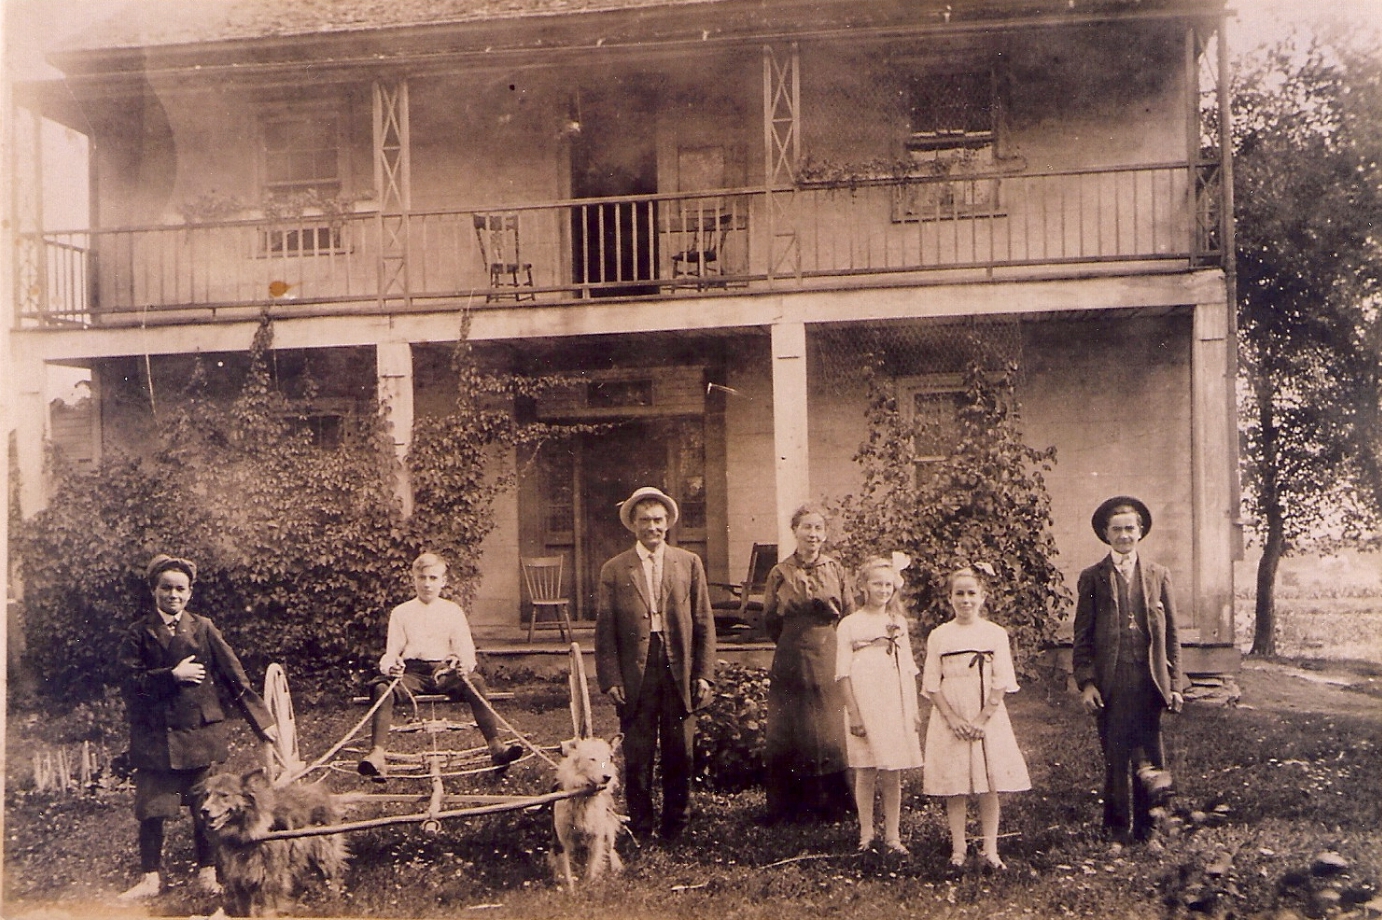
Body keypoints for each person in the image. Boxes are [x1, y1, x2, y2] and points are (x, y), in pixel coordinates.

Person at [115, 554, 280, 901]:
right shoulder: (138, 633)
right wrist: (171, 676)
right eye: (166, 588)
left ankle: (208, 872)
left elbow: (234, 677)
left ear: (189, 593)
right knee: (151, 810)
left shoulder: (203, 628)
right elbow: (128, 684)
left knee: (205, 811)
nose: (173, 595)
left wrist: (262, 722)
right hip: (156, 736)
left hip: (199, 736)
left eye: (180, 589)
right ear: (153, 590)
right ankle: (150, 878)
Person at [595, 487, 716, 842]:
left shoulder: (688, 563)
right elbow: (605, 631)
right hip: (637, 670)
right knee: (639, 751)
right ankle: (641, 825)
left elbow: (703, 621)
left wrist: (704, 673)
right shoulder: (615, 569)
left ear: (668, 524)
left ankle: (676, 825)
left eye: (659, 520)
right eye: (645, 520)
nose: (653, 527)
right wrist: (611, 678)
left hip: (678, 666)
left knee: (681, 749)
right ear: (633, 525)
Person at [1072, 496, 1186, 846]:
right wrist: (1087, 683)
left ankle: (1150, 830)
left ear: (1140, 533)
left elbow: (1172, 636)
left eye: (1130, 529)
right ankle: (1117, 831)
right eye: (1117, 529)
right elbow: (1083, 636)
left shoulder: (1157, 575)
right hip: (1112, 681)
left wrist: (1176, 683)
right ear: (1106, 534)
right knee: (1117, 755)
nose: (1124, 535)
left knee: (1151, 755)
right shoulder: (1094, 578)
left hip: (1149, 679)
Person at [358, 552, 523, 780]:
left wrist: (463, 665)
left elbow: (466, 650)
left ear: (443, 581)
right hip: (412, 672)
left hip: (444, 671)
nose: (427, 584)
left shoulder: (452, 611)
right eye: (422, 577)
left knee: (475, 682)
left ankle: (496, 748)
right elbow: (391, 653)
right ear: (413, 579)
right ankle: (377, 755)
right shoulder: (401, 612)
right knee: (381, 689)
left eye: (433, 578)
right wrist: (392, 667)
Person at [922, 563, 1031, 871]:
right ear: (950, 597)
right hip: (950, 716)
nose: (965, 600)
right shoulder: (939, 636)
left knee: (988, 782)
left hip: (987, 716)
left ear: (983, 596)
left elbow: (1002, 680)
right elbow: (932, 683)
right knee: (955, 784)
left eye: (972, 593)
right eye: (959, 594)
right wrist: (952, 718)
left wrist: (983, 719)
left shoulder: (995, 634)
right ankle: (958, 847)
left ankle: (990, 848)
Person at [762, 503, 855, 824]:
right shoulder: (780, 572)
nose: (812, 535)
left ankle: (833, 805)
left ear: (825, 534)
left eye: (818, 528)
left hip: (829, 651)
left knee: (827, 724)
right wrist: (793, 640)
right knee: (791, 725)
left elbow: (850, 615)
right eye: (806, 528)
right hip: (790, 655)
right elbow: (770, 619)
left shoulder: (837, 570)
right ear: (795, 531)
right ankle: (789, 806)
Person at [836, 555, 923, 854]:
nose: (883, 590)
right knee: (866, 768)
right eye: (877, 584)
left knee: (892, 769)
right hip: (864, 701)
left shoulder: (897, 623)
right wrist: (854, 713)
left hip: (893, 702)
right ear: (863, 586)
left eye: (888, 584)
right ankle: (866, 833)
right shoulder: (850, 624)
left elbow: (908, 667)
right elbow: (843, 673)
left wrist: (911, 709)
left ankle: (893, 836)